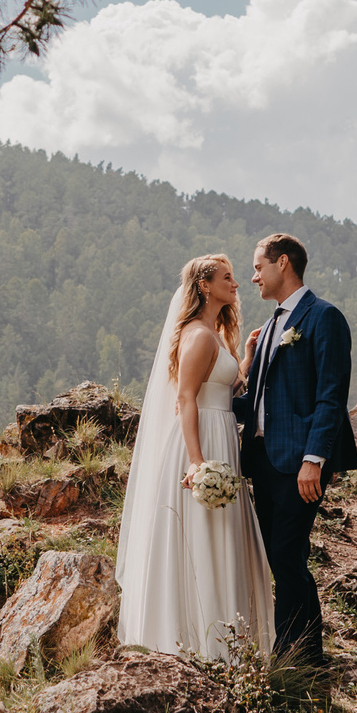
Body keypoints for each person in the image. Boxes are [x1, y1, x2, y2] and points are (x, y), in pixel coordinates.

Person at [115, 254, 279, 659]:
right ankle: (199, 642)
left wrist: (247, 359)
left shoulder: (213, 334)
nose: (237, 284)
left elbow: (222, 389)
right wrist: (196, 460)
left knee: (221, 532)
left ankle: (225, 640)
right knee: (203, 533)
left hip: (220, 433)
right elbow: (186, 398)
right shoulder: (199, 335)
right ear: (205, 285)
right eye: (228, 278)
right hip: (202, 439)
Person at [229, 233, 356, 668]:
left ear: (282, 263)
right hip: (262, 461)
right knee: (279, 558)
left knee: (286, 554)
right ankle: (299, 654)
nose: (253, 277)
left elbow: (331, 395)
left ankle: (297, 659)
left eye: (258, 267)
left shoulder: (324, 317)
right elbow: (255, 401)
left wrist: (313, 460)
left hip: (299, 465)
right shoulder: (267, 331)